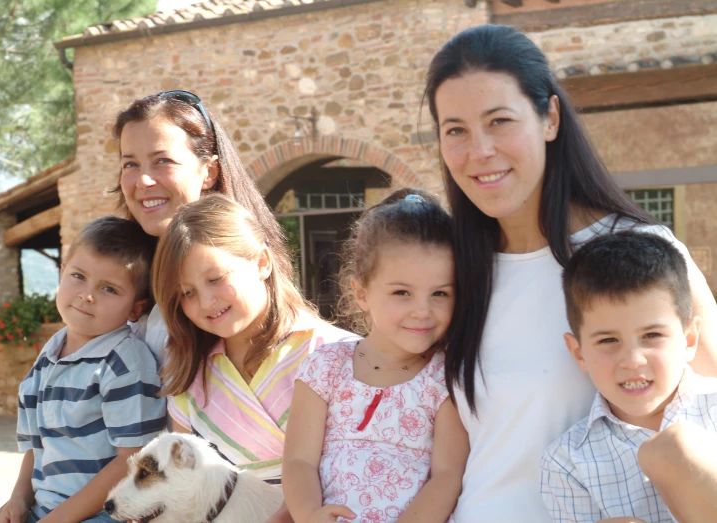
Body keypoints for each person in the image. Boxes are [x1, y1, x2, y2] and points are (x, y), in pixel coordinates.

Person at [423, 24, 717, 522]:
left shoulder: (641, 254)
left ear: (550, 118)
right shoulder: (453, 272)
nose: (479, 151)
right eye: (456, 130)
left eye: (499, 121)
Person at [283, 189, 468, 523]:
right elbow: (299, 461)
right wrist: (309, 514)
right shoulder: (325, 367)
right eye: (402, 293)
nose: (422, 311)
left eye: (440, 293)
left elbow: (447, 476)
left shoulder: (446, 378)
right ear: (362, 292)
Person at [152, 194, 356, 487]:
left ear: (262, 262)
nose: (207, 301)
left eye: (216, 278)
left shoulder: (337, 352)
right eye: (187, 293)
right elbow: (188, 488)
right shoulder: (190, 377)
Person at [0, 217, 166, 523]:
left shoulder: (124, 363)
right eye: (78, 276)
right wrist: (18, 499)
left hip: (107, 512)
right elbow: (38, 445)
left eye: (109, 288)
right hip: (47, 507)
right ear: (62, 273)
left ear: (136, 308)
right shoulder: (48, 356)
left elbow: (132, 461)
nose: (88, 295)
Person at [542, 231, 717, 523]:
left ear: (688, 340)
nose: (633, 360)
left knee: (679, 446)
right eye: (608, 340)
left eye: (652, 335)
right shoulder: (568, 463)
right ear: (579, 352)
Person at [111, 90, 291, 360]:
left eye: (163, 161)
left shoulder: (241, 294)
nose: (143, 181)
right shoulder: (117, 277)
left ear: (209, 172)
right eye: (130, 164)